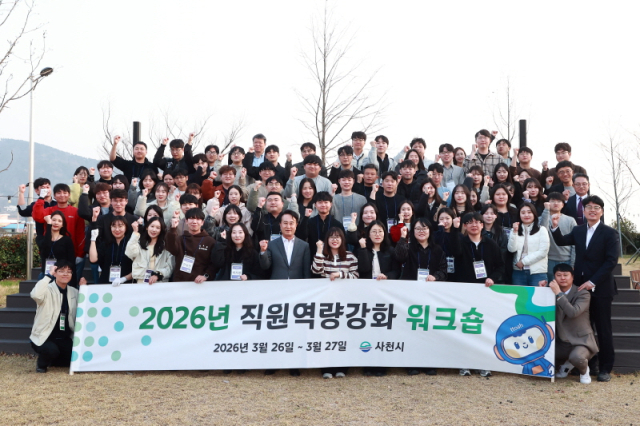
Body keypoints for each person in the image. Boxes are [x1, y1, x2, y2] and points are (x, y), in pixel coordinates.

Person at [551, 195, 619, 382]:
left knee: (603, 328)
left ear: (601, 211)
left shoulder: (610, 233)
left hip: (601, 288)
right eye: (588, 207)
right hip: (581, 287)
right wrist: (555, 226)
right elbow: (562, 241)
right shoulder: (578, 230)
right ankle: (590, 365)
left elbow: (611, 261)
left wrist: (593, 281)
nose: (592, 210)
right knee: (585, 328)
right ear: (583, 210)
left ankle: (605, 368)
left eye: (596, 207)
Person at [456, 212, 504, 377]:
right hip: (463, 292)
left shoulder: (491, 244)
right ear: (464, 226)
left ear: (482, 225)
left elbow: (500, 266)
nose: (474, 225)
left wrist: (493, 278)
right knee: (464, 327)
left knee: (482, 328)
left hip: (485, 292)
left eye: (477, 222)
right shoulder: (460, 243)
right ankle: (463, 363)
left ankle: (482, 363)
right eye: (469, 222)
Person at [539, 263, 598, 384]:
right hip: (561, 341)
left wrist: (558, 294)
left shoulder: (582, 293)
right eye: (559, 275)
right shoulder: (550, 292)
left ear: (572, 277)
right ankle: (567, 365)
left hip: (581, 340)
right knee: (538, 352)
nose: (562, 278)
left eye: (566, 275)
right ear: (554, 278)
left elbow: (573, 312)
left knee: (577, 357)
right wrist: (540, 291)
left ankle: (584, 371)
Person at [312, 227, 358, 379]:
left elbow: (356, 276)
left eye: (338, 237)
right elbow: (316, 270)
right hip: (326, 301)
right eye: (331, 237)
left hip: (345, 301)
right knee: (326, 334)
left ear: (342, 239)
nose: (335, 239)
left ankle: (342, 367)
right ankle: (326, 368)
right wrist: (319, 251)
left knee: (343, 333)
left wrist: (340, 274)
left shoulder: (350, 256)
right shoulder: (323, 256)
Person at [30, 260, 86, 373]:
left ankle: (55, 360)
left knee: (76, 357)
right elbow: (35, 295)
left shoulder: (74, 292)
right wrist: (48, 276)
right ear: (55, 273)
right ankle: (41, 365)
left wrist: (84, 289)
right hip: (44, 336)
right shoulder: (46, 289)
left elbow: (85, 308)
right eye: (61, 271)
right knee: (51, 350)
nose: (65, 274)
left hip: (64, 337)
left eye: (69, 271)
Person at [32, 183, 86, 276]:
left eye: (65, 193)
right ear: (54, 195)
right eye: (59, 193)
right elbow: (37, 216)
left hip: (70, 253)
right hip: (51, 252)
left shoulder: (76, 212)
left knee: (70, 280)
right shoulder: (49, 210)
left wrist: (80, 254)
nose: (62, 195)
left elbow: (80, 234)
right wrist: (41, 198)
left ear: (69, 195)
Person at [166, 208, 218, 283]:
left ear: (202, 222)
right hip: (180, 282)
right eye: (191, 218)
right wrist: (173, 229)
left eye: (198, 219)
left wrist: (206, 275)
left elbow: (213, 263)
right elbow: (171, 248)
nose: (194, 222)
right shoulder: (180, 239)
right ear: (186, 221)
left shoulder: (210, 241)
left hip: (200, 283)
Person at [259, 209, 311, 280]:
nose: (288, 226)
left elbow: (306, 270)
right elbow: (265, 266)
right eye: (285, 223)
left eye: (291, 223)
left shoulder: (304, 246)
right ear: (280, 224)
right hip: (277, 283)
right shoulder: (271, 244)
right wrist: (263, 251)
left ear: (296, 225)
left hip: (297, 284)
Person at [507, 202, 550, 286]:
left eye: (529, 212)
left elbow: (543, 251)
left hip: (537, 272)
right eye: (523, 213)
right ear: (519, 215)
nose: (526, 215)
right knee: (519, 295)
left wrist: (524, 262)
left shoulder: (542, 229)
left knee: (538, 294)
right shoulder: (515, 230)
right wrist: (514, 232)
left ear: (534, 214)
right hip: (518, 271)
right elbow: (511, 249)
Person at [125, 217, 174, 284]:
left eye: (158, 228)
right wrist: (135, 232)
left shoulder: (166, 246)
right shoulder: (140, 244)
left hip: (159, 283)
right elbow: (130, 253)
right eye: (152, 226)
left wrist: (158, 275)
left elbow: (170, 267)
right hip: (141, 282)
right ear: (147, 227)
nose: (154, 230)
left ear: (161, 230)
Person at [540, 193, 576, 282]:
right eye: (552, 201)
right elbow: (542, 231)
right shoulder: (542, 218)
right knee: (549, 287)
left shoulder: (570, 220)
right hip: (548, 260)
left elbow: (575, 243)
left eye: (559, 201)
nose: (556, 203)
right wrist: (546, 210)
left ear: (563, 204)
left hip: (567, 260)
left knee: (565, 286)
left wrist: (573, 263)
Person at [89, 213, 133, 285]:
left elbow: (137, 268)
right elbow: (93, 259)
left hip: (126, 283)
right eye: (114, 226)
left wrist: (124, 279)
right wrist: (93, 239)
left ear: (126, 227)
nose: (117, 229)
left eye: (120, 226)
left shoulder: (131, 244)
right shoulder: (106, 243)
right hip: (106, 283)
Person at [39, 212, 77, 287]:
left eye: (59, 221)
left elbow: (71, 261)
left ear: (63, 225)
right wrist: (49, 225)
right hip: (46, 274)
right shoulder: (42, 239)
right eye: (53, 220)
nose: (56, 223)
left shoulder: (66, 240)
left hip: (62, 276)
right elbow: (46, 248)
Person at [17, 179, 56, 248]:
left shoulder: (57, 204)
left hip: (58, 237)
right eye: (43, 188)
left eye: (48, 187)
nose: (46, 190)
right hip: (43, 238)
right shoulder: (35, 205)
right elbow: (23, 211)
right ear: (37, 191)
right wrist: (21, 193)